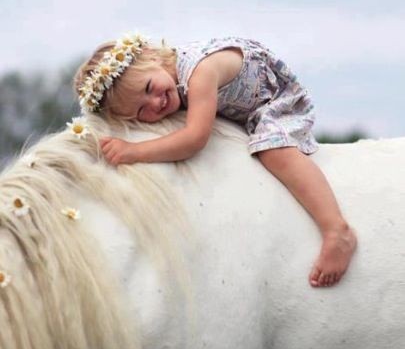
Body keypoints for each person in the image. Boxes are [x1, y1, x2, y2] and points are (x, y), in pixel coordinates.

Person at [73, 33, 357, 288]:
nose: (155, 103)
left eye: (149, 87)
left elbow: (195, 138)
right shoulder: (170, 81)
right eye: (140, 111)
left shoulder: (201, 73)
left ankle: (336, 229)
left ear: (153, 57)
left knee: (273, 151)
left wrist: (133, 151)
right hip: (238, 99)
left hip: (270, 97)